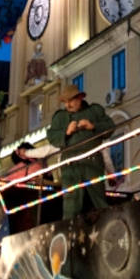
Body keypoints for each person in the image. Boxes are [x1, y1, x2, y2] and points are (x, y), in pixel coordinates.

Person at [46, 84, 115, 219]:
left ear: (80, 98)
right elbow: (52, 136)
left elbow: (110, 127)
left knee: (98, 198)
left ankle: (107, 224)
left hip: (92, 162)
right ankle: (69, 230)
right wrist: (66, 132)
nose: (68, 105)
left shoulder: (94, 111)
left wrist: (93, 126)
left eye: (70, 100)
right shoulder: (60, 117)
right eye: (65, 102)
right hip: (70, 166)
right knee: (71, 204)